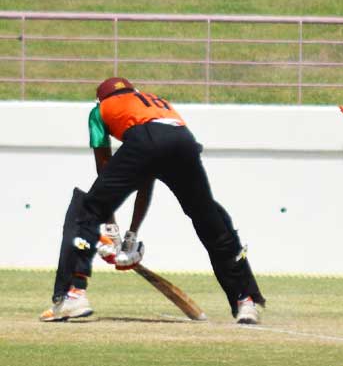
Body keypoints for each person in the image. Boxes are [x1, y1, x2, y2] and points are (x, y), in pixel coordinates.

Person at [40, 77, 266, 324]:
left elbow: (104, 174)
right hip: (183, 141)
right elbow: (146, 178)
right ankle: (246, 301)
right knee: (209, 217)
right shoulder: (154, 103)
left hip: (145, 141)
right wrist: (128, 237)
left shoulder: (100, 110)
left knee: (87, 209)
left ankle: (74, 294)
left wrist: (111, 235)